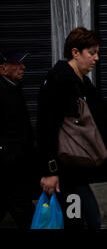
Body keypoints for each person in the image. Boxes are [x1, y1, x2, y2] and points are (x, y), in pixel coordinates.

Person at [36, 27, 107, 229]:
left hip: (75, 170)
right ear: (75, 52)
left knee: (84, 220)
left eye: (97, 53)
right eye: (92, 53)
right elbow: (45, 129)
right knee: (80, 221)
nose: (96, 58)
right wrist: (49, 171)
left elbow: (95, 123)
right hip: (65, 174)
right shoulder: (58, 80)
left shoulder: (82, 82)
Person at [0, 50, 38, 229]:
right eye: (18, 64)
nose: (23, 67)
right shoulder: (4, 91)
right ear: (3, 69)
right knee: (26, 214)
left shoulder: (14, 87)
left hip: (16, 164)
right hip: (10, 167)